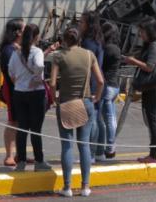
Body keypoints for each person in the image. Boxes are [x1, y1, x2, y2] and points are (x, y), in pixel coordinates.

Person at [50, 27, 104, 198]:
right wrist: (96, 98)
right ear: (79, 39)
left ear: (65, 40)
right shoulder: (89, 55)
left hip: (66, 102)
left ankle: (67, 187)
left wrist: (54, 99)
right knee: (84, 145)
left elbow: (52, 83)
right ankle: (85, 187)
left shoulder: (59, 56)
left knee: (67, 145)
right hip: (86, 101)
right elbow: (101, 81)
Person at [7, 24, 56, 171]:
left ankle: (21, 161)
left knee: (22, 128)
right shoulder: (37, 52)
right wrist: (34, 80)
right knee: (35, 129)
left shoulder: (16, 53)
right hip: (36, 93)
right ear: (36, 37)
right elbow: (40, 66)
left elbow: (11, 73)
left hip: (19, 93)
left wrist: (20, 84)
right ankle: (39, 161)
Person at [123, 20, 156, 163]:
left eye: (142, 32)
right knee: (152, 119)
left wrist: (133, 62)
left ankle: (154, 154)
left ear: (150, 32)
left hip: (152, 86)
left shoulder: (155, 45)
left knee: (151, 119)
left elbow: (150, 67)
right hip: (153, 86)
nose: (140, 35)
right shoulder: (155, 44)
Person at [79, 11, 106, 161]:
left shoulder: (87, 42)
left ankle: (90, 153)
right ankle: (99, 151)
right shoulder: (98, 39)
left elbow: (85, 65)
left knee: (92, 120)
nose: (79, 24)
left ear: (88, 24)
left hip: (91, 83)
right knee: (97, 117)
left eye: (82, 22)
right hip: (98, 80)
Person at [0, 18, 25, 167]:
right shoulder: (9, 50)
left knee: (21, 122)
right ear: (18, 32)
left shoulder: (18, 47)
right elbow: (11, 73)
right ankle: (9, 155)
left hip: (21, 89)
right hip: (13, 89)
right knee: (13, 121)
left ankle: (20, 154)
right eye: (24, 28)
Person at [99, 22, 123, 160]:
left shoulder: (106, 48)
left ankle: (109, 146)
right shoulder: (116, 48)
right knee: (110, 116)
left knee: (105, 118)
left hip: (106, 85)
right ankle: (110, 146)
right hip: (114, 85)